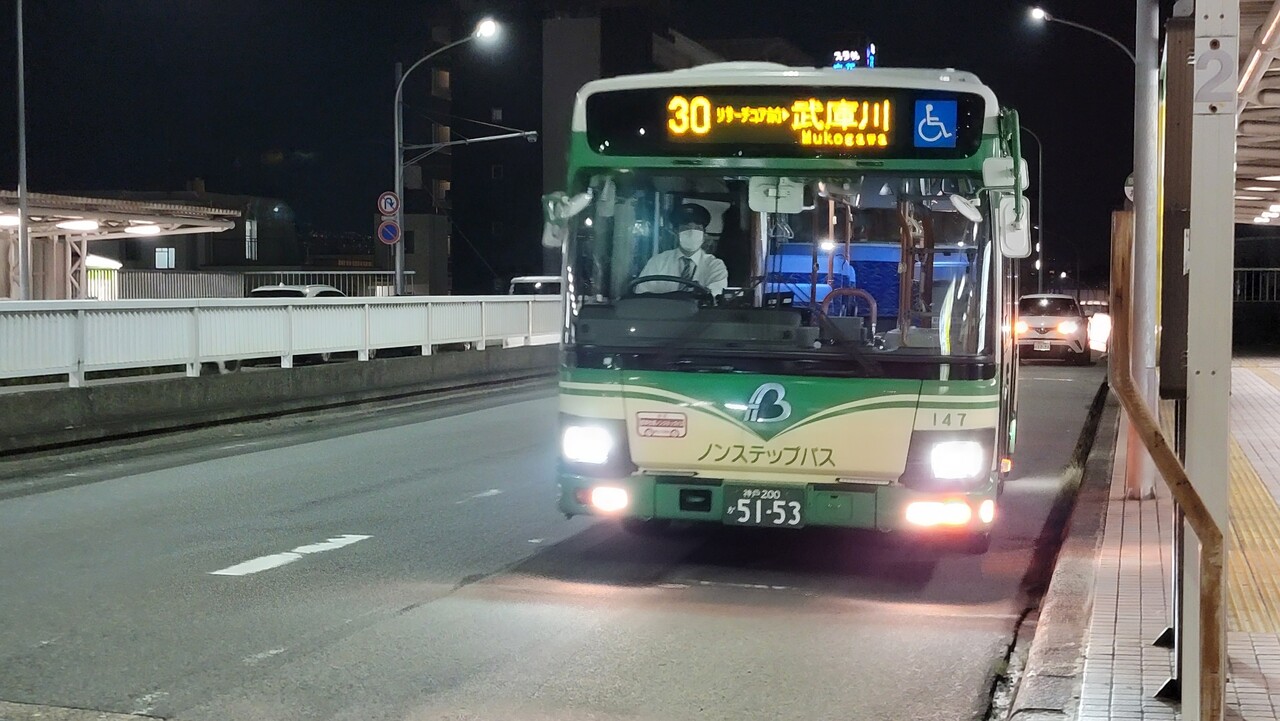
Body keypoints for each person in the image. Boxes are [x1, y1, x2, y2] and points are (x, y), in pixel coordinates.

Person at [635, 202, 728, 295]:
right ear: (676, 233)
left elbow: (715, 295)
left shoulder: (714, 265)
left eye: (697, 228)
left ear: (704, 234)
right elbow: (642, 294)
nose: (692, 233)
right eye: (686, 228)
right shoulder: (658, 262)